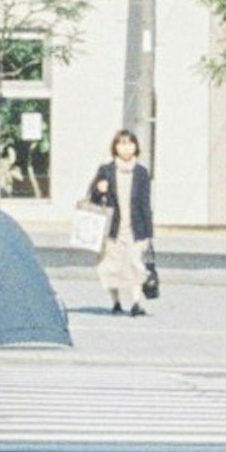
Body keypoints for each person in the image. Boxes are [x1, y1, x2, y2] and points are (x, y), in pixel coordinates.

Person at [85, 129, 155, 318]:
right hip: (112, 228)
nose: (126, 147)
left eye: (130, 143)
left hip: (135, 227)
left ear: (136, 147)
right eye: (122, 143)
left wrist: (148, 233)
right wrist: (99, 189)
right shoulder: (106, 170)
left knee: (135, 264)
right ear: (115, 147)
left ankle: (136, 303)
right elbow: (92, 195)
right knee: (111, 266)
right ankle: (116, 302)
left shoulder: (141, 172)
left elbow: (145, 203)